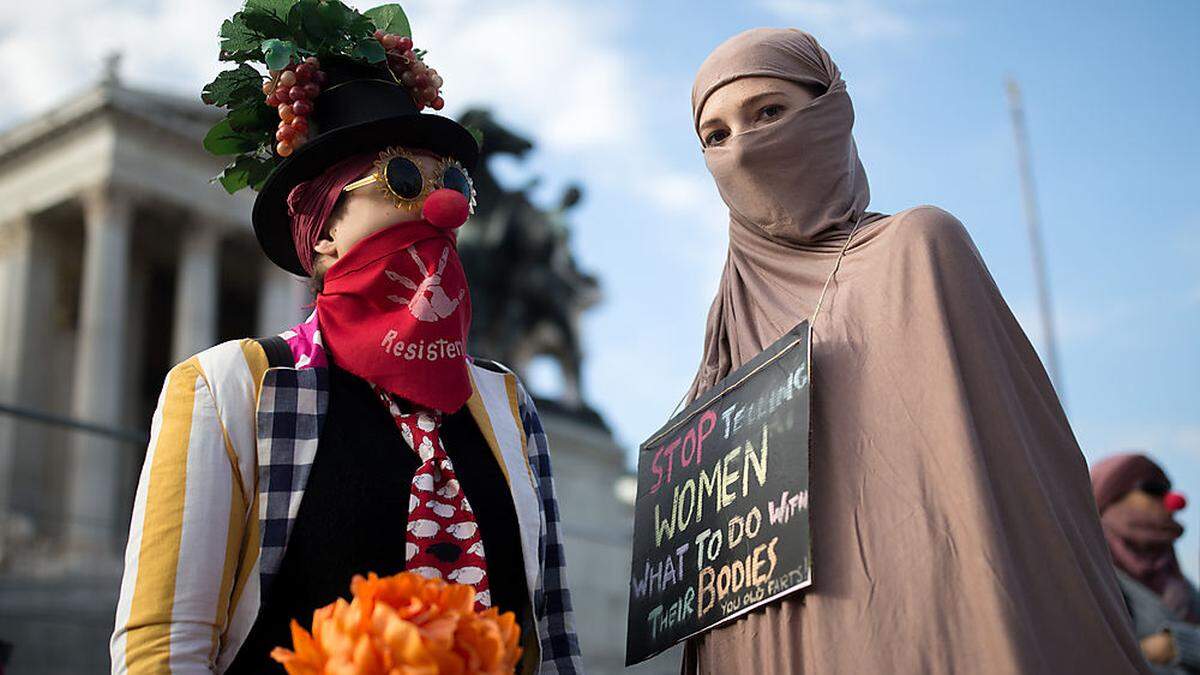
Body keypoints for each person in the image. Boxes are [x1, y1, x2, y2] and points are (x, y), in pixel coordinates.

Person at [109, 4, 583, 673]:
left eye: (455, 184)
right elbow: (163, 650)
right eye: (404, 180)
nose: (442, 207)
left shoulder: (506, 402)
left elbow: (552, 645)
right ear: (324, 233)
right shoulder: (230, 388)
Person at [679, 27, 1148, 674]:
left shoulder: (917, 249)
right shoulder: (725, 323)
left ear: (832, 113)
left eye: (769, 112)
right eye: (717, 134)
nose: (745, 148)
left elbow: (998, 503)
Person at [1093, 454, 1200, 673]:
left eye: (1167, 489)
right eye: (1154, 489)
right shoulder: (1093, 575)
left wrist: (1176, 644)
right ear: (1112, 497)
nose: (1172, 500)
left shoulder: (1180, 583)